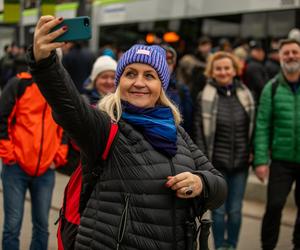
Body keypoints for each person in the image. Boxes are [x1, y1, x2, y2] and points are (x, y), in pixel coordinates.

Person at [29, 16, 227, 250]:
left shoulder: (177, 133)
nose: (139, 82)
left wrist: (201, 182)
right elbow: (68, 105)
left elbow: (219, 187)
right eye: (130, 74)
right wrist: (44, 63)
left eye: (149, 76)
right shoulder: (105, 127)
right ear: (119, 82)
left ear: (161, 87)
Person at [0, 65, 68, 248]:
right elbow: (2, 118)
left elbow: (66, 122)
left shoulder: (60, 88)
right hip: (16, 168)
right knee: (12, 226)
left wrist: (59, 154)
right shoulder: (19, 84)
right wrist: (9, 154)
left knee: (42, 226)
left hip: (46, 169)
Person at [193, 52, 255, 250]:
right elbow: (199, 132)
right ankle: (220, 246)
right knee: (218, 212)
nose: (223, 72)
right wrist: (205, 164)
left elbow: (253, 128)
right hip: (216, 165)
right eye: (218, 68)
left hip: (240, 164)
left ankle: (232, 246)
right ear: (212, 71)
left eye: (227, 68)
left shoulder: (246, 94)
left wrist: (253, 152)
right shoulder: (204, 96)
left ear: (235, 70)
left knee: (235, 210)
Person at [254, 38, 300, 250]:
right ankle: (268, 246)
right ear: (280, 57)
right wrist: (261, 161)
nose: (291, 56)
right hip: (281, 160)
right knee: (274, 206)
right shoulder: (271, 89)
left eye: (294, 52)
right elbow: (262, 125)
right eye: (286, 53)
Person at [162, 44, 193, 135]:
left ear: (174, 64)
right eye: (161, 60)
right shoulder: (144, 88)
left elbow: (188, 122)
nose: (165, 65)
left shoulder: (181, 90)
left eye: (169, 61)